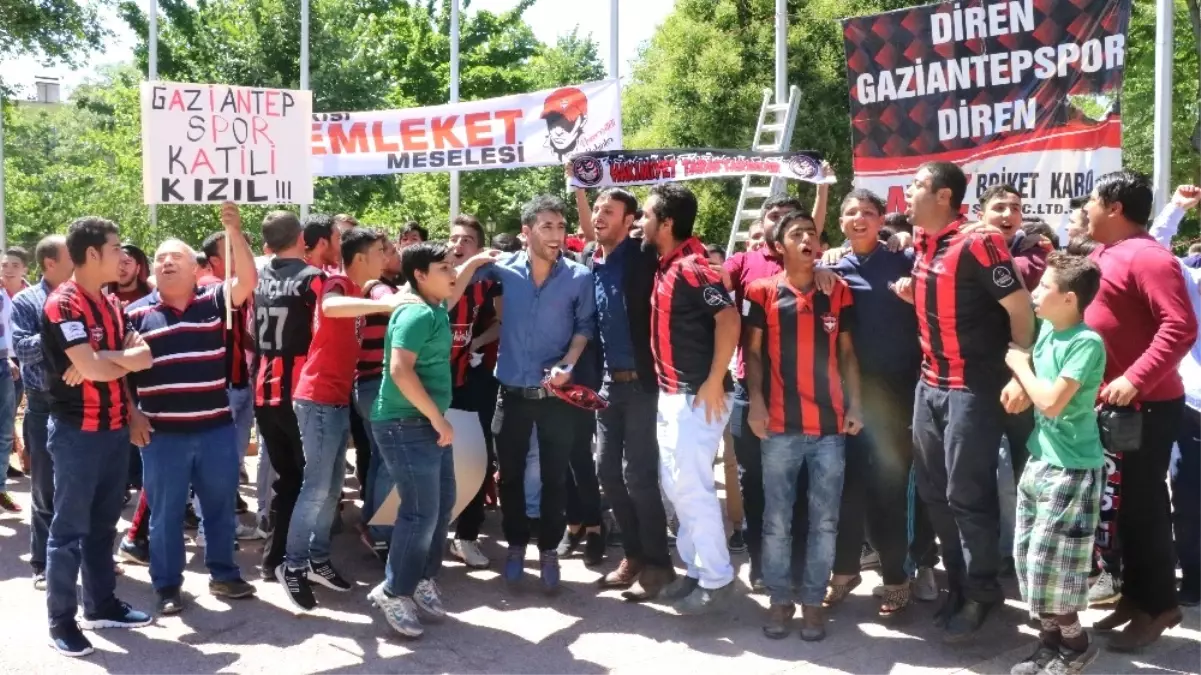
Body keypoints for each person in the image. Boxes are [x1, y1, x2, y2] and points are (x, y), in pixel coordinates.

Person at [897, 161, 1036, 642]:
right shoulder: (922, 242)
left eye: (916, 186)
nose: (907, 193)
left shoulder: (979, 241)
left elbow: (1020, 309)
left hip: (973, 388)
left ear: (942, 196)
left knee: (967, 494)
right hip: (928, 384)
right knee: (934, 491)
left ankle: (982, 591)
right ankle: (958, 583)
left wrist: (1021, 368)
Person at [125, 203, 259, 614]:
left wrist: (234, 231)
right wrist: (133, 415)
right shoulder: (133, 313)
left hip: (215, 427)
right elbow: (121, 373)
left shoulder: (215, 300)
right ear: (153, 271)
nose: (167, 262)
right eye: (161, 257)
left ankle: (224, 574)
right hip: (162, 434)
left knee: (219, 505)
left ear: (194, 267)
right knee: (164, 515)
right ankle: (167, 586)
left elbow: (248, 279)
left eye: (176, 257)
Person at [1083, 171, 1196, 651]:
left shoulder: (1150, 257)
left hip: (1146, 408)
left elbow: (1180, 326)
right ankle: (1134, 596)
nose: (1085, 207)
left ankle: (1159, 606)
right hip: (1111, 408)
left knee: (1144, 510)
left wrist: (1134, 377)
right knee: (1121, 511)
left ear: (1113, 206)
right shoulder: (1101, 254)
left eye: (1091, 199)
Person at [460, 195, 594, 595]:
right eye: (547, 227)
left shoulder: (578, 276)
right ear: (526, 232)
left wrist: (568, 363)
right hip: (511, 395)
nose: (557, 235)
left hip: (556, 401)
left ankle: (549, 549)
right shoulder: (502, 271)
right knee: (511, 478)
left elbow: (584, 325)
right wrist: (468, 257)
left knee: (555, 478)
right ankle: (517, 544)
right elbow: (453, 284)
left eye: (561, 227)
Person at [745, 210, 863, 641]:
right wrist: (755, 403)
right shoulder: (760, 291)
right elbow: (753, 354)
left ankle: (813, 602)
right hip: (778, 426)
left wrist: (857, 405)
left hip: (830, 427)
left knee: (824, 520)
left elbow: (849, 355)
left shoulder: (839, 291)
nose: (808, 239)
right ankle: (780, 601)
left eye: (812, 233)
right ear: (778, 247)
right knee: (776, 519)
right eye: (797, 234)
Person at [42, 217, 154, 657]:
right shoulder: (63, 304)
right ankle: (61, 622)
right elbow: (90, 370)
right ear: (92, 255)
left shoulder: (109, 303)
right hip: (76, 435)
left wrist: (105, 359)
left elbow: (142, 358)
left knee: (104, 527)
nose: (123, 257)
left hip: (112, 432)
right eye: (114, 249)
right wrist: (108, 361)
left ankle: (101, 605)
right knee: (68, 531)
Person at [824, 189, 938, 616]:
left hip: (900, 391)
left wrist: (903, 241)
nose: (859, 218)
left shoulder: (903, 259)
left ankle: (902, 573)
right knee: (848, 486)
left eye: (868, 213)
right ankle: (846, 570)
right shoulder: (831, 268)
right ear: (840, 223)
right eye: (850, 212)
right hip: (848, 392)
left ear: (880, 220)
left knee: (896, 488)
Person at [279, 224, 398, 611]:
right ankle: (292, 565)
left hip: (334, 400)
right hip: (316, 399)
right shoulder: (337, 284)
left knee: (331, 489)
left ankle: (316, 559)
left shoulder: (357, 290)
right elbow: (329, 308)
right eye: (381, 250)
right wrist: (386, 304)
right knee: (316, 487)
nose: (387, 256)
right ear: (361, 257)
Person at [1005, 252, 1106, 675]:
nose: (1036, 292)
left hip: (1072, 468)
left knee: (1054, 567)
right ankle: (1048, 644)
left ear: (1068, 299)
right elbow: (1036, 384)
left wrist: (1017, 365)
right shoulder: (1048, 328)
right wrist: (1018, 381)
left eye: (1044, 287)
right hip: (1040, 459)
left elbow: (1049, 401)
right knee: (1029, 558)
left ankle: (1076, 644)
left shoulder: (1086, 342)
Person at [644, 183, 740, 614]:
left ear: (666, 223)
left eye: (646, 216)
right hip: (672, 395)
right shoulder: (667, 265)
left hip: (696, 397)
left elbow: (729, 318)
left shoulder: (692, 267)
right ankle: (699, 571)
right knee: (678, 487)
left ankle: (718, 579)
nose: (641, 223)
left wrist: (715, 378)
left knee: (693, 488)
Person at [580, 188, 674, 599]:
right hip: (605, 385)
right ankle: (633, 554)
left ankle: (658, 564)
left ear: (630, 219)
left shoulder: (642, 257)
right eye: (596, 208)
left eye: (609, 210)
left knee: (638, 475)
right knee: (606, 473)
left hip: (642, 384)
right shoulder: (589, 260)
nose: (599, 215)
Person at [367, 241, 458, 638]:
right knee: (420, 513)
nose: (452, 272)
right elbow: (400, 371)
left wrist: (468, 263)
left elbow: (459, 278)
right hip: (405, 425)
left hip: (424, 423)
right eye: (444, 267)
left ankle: (421, 578)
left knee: (440, 506)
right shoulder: (416, 313)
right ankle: (394, 591)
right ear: (420, 275)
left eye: (452, 265)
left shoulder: (433, 306)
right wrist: (437, 418)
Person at [253, 212, 327, 583]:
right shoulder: (314, 280)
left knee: (289, 478)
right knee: (311, 481)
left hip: (263, 392)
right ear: (301, 237)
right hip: (301, 395)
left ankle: (274, 560)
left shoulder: (258, 277)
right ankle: (299, 561)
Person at [1148, 184, 1201, 607]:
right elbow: (1151, 252)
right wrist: (1176, 210)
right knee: (1188, 498)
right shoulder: (1189, 276)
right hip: (1194, 410)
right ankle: (1196, 579)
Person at [12, 235, 74, 587]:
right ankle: (44, 563)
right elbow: (23, 349)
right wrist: (55, 330)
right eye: (70, 255)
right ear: (50, 262)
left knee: (82, 488)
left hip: (83, 402)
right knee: (45, 489)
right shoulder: (26, 300)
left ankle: (86, 557)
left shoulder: (85, 296)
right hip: (43, 404)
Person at [444, 215, 502, 569]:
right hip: (432, 384)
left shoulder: (488, 282)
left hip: (473, 380)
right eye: (453, 237)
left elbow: (500, 321)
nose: (458, 244)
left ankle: (466, 536)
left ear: (478, 249)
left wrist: (475, 343)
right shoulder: (430, 275)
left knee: (476, 456)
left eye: (466, 239)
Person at [355, 236, 404, 561]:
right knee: (390, 460)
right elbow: (395, 301)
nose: (395, 254)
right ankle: (382, 534)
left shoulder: (372, 285)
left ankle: (372, 524)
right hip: (376, 385)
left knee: (378, 457)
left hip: (366, 385)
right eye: (388, 250)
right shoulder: (377, 287)